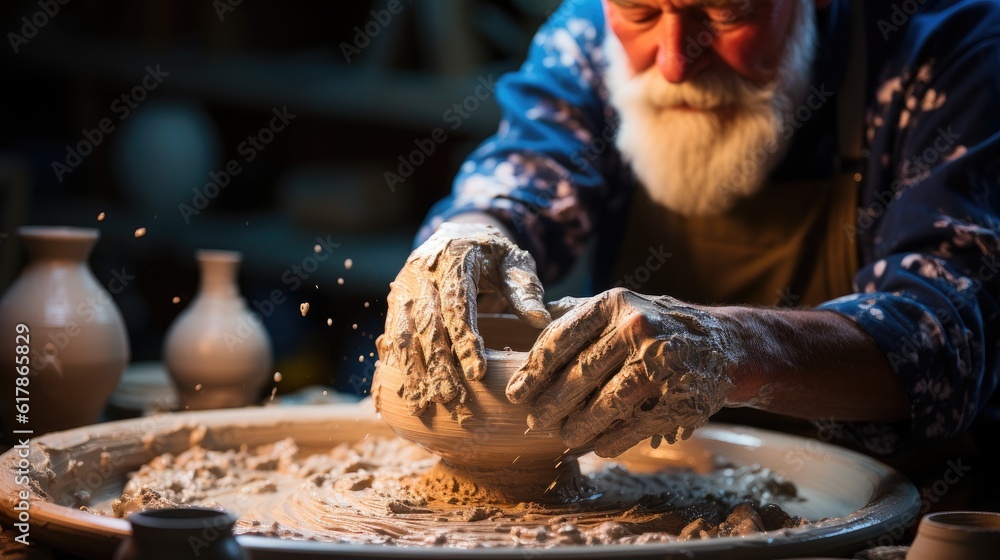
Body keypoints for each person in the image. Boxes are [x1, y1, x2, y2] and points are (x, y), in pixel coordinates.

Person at [376, 0, 1000, 459]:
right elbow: (520, 180)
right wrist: (464, 238)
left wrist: (734, 348)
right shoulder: (591, 36)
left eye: (725, 14)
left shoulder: (948, 49)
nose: (675, 62)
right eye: (643, 13)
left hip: (897, 499)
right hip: (659, 479)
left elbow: (945, 340)